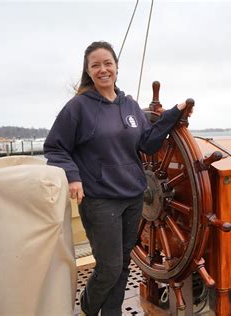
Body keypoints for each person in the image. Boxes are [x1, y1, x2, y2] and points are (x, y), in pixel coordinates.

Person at [44, 41, 188, 316]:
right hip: (100, 200)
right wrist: (73, 177)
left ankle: (113, 312)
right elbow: (55, 147)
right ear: (88, 71)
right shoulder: (78, 107)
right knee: (109, 266)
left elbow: (147, 143)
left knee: (122, 265)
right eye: (95, 65)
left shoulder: (130, 106)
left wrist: (174, 114)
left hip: (133, 197)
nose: (103, 69)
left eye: (107, 63)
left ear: (117, 67)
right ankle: (88, 306)